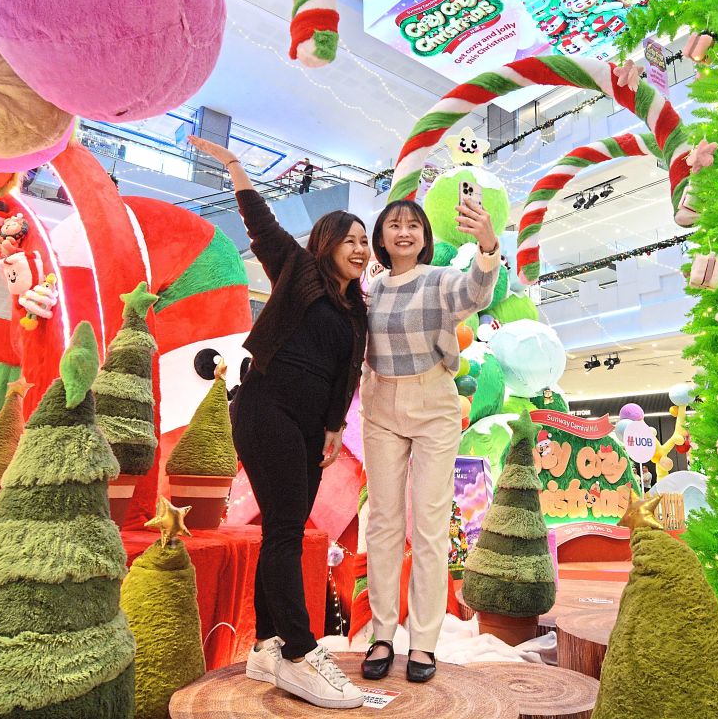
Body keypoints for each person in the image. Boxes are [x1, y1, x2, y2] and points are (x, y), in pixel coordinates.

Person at [192, 135, 369, 710]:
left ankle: (269, 645)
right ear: (327, 243)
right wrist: (237, 168)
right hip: (266, 408)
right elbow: (263, 224)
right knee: (289, 531)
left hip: (309, 426)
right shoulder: (298, 270)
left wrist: (335, 428)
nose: (363, 249)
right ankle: (298, 649)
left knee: (284, 530)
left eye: (366, 242)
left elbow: (344, 377)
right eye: (352, 239)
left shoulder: (356, 309)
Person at [360, 198, 500, 684]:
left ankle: (423, 641)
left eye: (413, 225)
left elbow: (478, 292)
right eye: (394, 224)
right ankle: (381, 633)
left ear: (424, 237)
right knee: (382, 521)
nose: (404, 232)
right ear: (381, 236)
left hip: (434, 403)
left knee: (430, 524)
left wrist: (486, 244)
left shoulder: (440, 281)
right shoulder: (371, 292)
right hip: (379, 403)